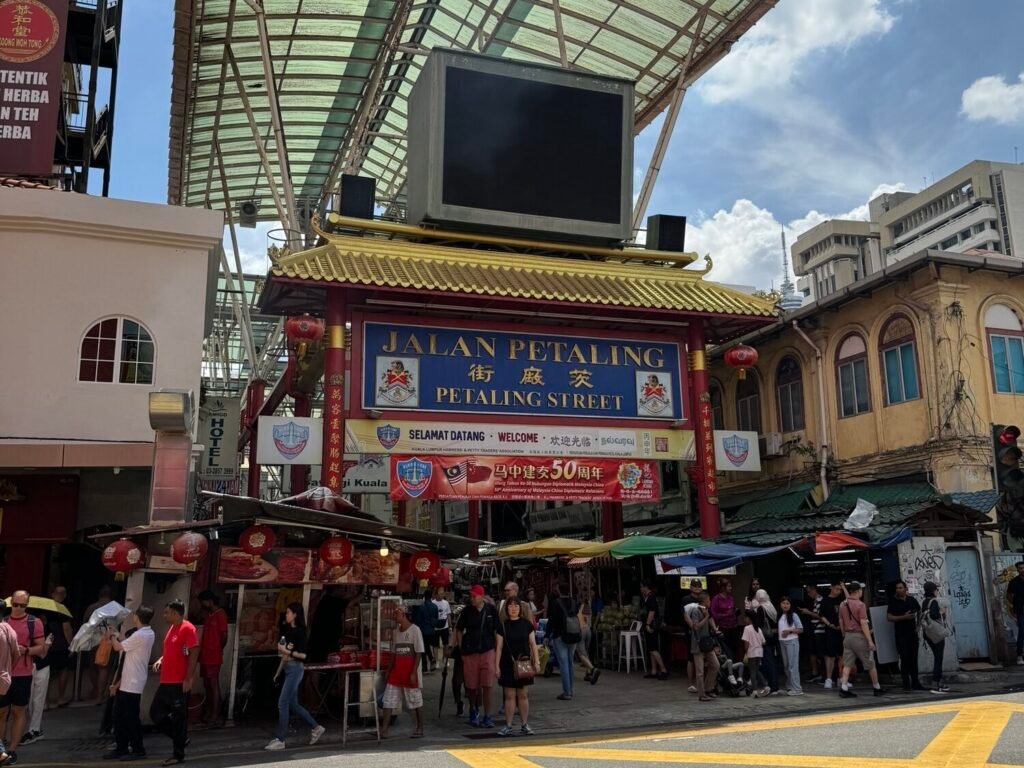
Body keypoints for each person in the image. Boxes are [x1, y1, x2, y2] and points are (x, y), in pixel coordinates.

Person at [264, 603, 325, 750]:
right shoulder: (287, 631)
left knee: (282, 703)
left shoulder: (300, 632)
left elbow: (303, 655)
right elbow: (282, 653)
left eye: (289, 612)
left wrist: (287, 652)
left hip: (296, 668)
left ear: (295, 614)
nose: (287, 615)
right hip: (287, 668)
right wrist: (278, 673)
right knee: (292, 704)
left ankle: (281, 738)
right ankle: (316, 727)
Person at [150, 599, 200, 765]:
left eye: (167, 612)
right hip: (167, 679)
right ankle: (181, 738)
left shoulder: (188, 629)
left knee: (179, 718)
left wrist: (188, 678)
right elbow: (173, 650)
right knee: (156, 713)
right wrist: (161, 659)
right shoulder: (172, 628)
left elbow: (193, 653)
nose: (164, 615)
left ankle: (178, 754)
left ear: (176, 614)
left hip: (179, 681)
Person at [105, 605, 156, 761]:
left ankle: (137, 749)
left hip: (133, 682)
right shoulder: (148, 633)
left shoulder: (141, 635)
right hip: (130, 680)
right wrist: (116, 633)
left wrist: (112, 636)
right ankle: (122, 747)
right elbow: (126, 642)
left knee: (130, 718)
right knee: (121, 717)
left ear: (137, 617)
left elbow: (118, 647)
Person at [1, 590, 45, 764]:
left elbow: (40, 647)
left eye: (23, 605)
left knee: (19, 710)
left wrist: (26, 650)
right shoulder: (3, 621)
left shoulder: (34, 622)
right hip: (4, 673)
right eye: (16, 604)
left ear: (27, 605)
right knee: (2, 711)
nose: (18, 608)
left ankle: (12, 749)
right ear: (11, 602)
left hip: (23, 673)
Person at [494, 597, 539, 737]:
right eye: (510, 606)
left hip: (524, 663)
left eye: (516, 606)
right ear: (506, 609)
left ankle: (524, 724)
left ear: (520, 608)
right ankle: (508, 725)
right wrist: (497, 667)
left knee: (523, 694)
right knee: (509, 695)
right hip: (507, 664)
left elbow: (533, 644)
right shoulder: (503, 626)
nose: (513, 608)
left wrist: (536, 662)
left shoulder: (527, 624)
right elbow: (499, 648)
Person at [456, 585, 499, 728]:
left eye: (474, 596)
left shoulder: (491, 610)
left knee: (487, 685)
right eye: (471, 596)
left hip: (487, 651)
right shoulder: (467, 611)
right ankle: (473, 710)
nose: (472, 598)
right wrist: (461, 648)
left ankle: (487, 715)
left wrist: (497, 652)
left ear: (482, 596)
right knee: (471, 686)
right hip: (470, 652)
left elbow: (496, 631)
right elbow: (459, 630)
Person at [380, 604, 425, 739]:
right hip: (397, 671)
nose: (395, 617)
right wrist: (388, 670)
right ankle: (384, 729)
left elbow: (418, 653)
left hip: (409, 671)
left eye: (396, 614)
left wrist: (413, 672)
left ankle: (420, 727)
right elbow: (393, 654)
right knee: (388, 700)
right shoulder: (396, 632)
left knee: (416, 700)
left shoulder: (415, 630)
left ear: (404, 615)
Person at [837, 581, 885, 699]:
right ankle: (877, 687)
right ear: (858, 591)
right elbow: (863, 623)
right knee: (870, 664)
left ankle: (844, 688)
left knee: (847, 663)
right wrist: (869, 640)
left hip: (848, 637)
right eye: (861, 590)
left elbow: (841, 621)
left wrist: (844, 634)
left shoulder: (842, 604)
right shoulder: (860, 605)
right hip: (859, 637)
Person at [197, 590, 227, 728]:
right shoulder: (208, 615)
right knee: (207, 684)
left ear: (209, 601)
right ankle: (209, 712)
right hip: (205, 655)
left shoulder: (220, 614)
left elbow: (224, 636)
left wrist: (217, 649)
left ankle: (215, 714)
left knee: (213, 684)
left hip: (213, 655)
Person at [546, 583, 581, 701]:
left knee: (563, 663)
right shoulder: (573, 601)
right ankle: (570, 689)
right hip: (573, 634)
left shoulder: (556, 603)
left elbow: (552, 620)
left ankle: (567, 692)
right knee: (570, 662)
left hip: (559, 635)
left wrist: (547, 635)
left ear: (559, 591)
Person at [23, 608, 52, 747]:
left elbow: (43, 654)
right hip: (29, 665)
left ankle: (34, 729)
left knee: (38, 699)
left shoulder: (49, 633)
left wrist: (40, 644)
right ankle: (31, 728)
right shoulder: (26, 631)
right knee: (29, 700)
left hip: (42, 666)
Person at [887, 581, 924, 691]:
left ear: (905, 588)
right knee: (904, 659)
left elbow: (920, 612)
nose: (898, 590)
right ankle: (906, 683)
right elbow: (889, 617)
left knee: (913, 659)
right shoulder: (893, 602)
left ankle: (915, 682)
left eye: (900, 588)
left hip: (912, 634)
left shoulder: (911, 600)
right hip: (901, 635)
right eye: (897, 588)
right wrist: (904, 617)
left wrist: (918, 626)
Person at [685, 593, 720, 702]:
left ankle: (708, 688)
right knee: (700, 671)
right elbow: (695, 627)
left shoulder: (707, 610)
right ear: (704, 601)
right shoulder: (696, 611)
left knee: (715, 665)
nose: (710, 602)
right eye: (708, 600)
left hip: (707, 642)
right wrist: (706, 617)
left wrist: (715, 629)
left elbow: (710, 621)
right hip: (698, 643)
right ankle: (702, 694)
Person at [85, 586, 115, 705]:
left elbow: (85, 625)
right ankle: (100, 694)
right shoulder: (115, 608)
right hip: (108, 640)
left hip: (93, 639)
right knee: (104, 667)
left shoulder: (91, 608)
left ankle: (95, 690)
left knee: (93, 666)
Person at [922, 582, 950, 694]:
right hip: (936, 633)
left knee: (937, 657)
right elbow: (934, 615)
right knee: (938, 658)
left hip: (928, 633)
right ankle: (936, 684)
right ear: (933, 590)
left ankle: (940, 683)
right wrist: (941, 613)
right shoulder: (934, 601)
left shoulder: (925, 602)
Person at [818, 580, 845, 689]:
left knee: (842, 655)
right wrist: (829, 624)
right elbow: (821, 615)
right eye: (837, 589)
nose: (838, 591)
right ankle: (829, 678)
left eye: (840, 589)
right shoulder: (825, 601)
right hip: (830, 630)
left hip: (842, 630)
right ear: (831, 587)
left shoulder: (842, 600)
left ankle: (841, 678)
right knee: (830, 656)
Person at [752, 589, 780, 694]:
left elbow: (758, 625)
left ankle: (772, 686)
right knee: (773, 660)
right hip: (774, 637)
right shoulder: (771, 606)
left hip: (765, 638)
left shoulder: (761, 608)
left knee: (768, 661)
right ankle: (775, 684)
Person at [0, 618, 20, 763]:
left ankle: (1, 753)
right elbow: (16, 654)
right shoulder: (10, 630)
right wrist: (7, 669)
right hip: (4, 680)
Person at [639, 581, 668, 680]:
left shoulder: (651, 598)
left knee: (653, 648)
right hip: (648, 624)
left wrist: (647, 624)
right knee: (651, 649)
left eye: (642, 587)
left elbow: (652, 612)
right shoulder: (646, 598)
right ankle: (654, 670)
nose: (641, 589)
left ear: (646, 587)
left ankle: (663, 669)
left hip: (651, 625)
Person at [680, 579, 704, 692]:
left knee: (703, 656)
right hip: (691, 632)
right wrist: (693, 627)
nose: (697, 588)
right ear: (690, 587)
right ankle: (690, 683)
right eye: (694, 586)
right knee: (691, 657)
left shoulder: (703, 599)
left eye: (699, 586)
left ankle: (703, 682)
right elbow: (685, 616)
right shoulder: (686, 599)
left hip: (702, 631)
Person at [799, 584, 825, 684]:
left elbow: (821, 616)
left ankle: (824, 674)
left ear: (814, 590)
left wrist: (808, 612)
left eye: (809, 591)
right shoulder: (814, 601)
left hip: (820, 630)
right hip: (814, 630)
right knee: (813, 651)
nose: (808, 594)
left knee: (821, 654)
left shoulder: (820, 600)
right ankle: (816, 673)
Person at [777, 597, 804, 695]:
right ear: (780, 604)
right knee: (787, 666)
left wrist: (789, 631)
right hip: (782, 642)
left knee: (793, 665)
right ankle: (789, 687)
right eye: (783, 603)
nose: (785, 605)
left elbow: (801, 629)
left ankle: (797, 689)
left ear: (790, 605)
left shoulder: (794, 615)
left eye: (787, 603)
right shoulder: (779, 615)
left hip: (792, 641)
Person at [741, 610, 770, 697]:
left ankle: (754, 690)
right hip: (759, 652)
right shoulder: (758, 629)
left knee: (752, 671)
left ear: (748, 618)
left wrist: (746, 652)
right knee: (756, 670)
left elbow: (746, 642)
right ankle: (765, 685)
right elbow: (763, 642)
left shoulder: (747, 628)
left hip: (751, 652)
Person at [711, 579, 739, 660]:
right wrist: (726, 614)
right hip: (723, 628)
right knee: (725, 648)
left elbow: (733, 610)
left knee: (734, 648)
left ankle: (735, 666)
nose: (731, 588)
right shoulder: (716, 599)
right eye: (729, 586)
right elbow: (713, 614)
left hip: (733, 627)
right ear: (723, 587)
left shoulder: (731, 598)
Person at [575, 596, 600, 686]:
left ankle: (593, 669)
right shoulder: (588, 609)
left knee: (581, 653)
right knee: (586, 652)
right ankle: (588, 673)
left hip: (581, 631)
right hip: (588, 630)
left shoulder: (577, 609)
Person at [413, 590, 438, 674]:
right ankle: (431, 660)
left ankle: (425, 665)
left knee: (423, 647)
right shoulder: (435, 607)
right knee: (426, 646)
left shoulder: (421, 607)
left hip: (423, 630)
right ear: (431, 596)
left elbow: (418, 620)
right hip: (432, 630)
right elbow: (436, 619)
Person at [1006, 561, 1024, 665]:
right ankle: (1019, 655)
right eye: (1020, 568)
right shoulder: (1014, 582)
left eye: (1023, 568)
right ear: (1017, 570)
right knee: (1021, 631)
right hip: (1021, 610)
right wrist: (1015, 603)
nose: (1023, 570)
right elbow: (1009, 595)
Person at [432, 587, 452, 668]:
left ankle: (445, 658)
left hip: (445, 626)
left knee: (446, 644)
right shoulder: (433, 603)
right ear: (436, 594)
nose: (442, 595)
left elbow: (448, 615)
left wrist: (450, 626)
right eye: (440, 593)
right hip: (436, 627)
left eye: (443, 593)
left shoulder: (446, 603)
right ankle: (436, 660)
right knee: (435, 645)